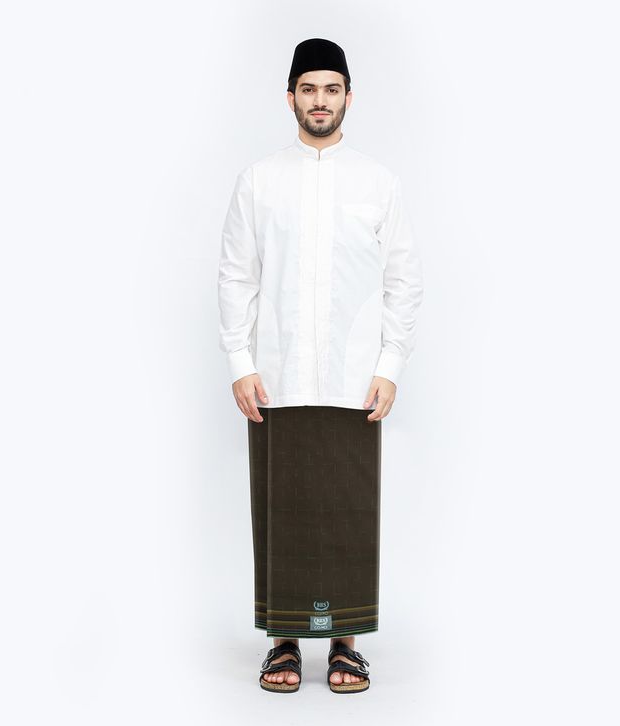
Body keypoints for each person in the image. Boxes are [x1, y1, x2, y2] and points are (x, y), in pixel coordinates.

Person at [217, 38, 423, 694]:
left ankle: (345, 642)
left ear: (349, 98)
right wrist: (240, 360)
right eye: (308, 89)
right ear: (290, 97)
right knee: (282, 509)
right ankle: (283, 640)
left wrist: (390, 363)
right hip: (276, 375)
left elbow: (403, 280)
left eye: (332, 89)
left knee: (348, 509)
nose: (320, 101)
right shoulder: (259, 181)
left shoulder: (377, 182)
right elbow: (236, 275)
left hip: (354, 376)